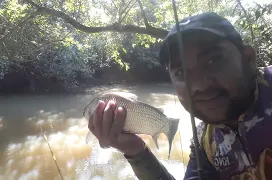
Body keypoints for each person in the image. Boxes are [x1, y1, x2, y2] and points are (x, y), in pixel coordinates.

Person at [87, 12, 272, 180]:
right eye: (181, 73)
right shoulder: (204, 143)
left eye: (213, 60)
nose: (199, 85)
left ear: (248, 59)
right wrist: (135, 152)